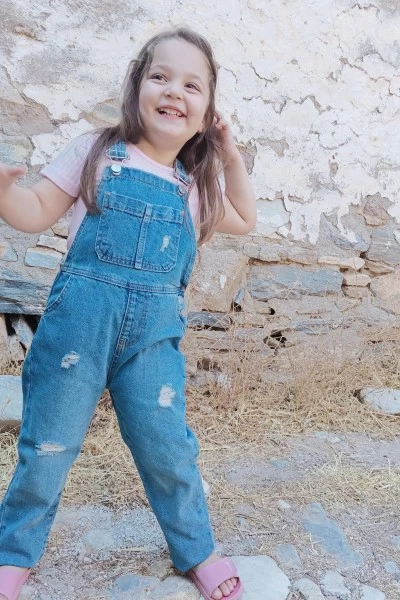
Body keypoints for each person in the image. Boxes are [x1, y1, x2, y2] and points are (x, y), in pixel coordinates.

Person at [0, 27, 256, 600]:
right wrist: (4, 193)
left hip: (151, 344)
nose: (174, 91)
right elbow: (35, 209)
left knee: (169, 449)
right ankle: (13, 553)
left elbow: (245, 217)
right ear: (136, 85)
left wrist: (230, 155)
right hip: (76, 333)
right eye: (160, 76)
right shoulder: (96, 152)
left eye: (192, 85)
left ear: (206, 113)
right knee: (46, 446)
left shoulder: (194, 187)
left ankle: (197, 549)